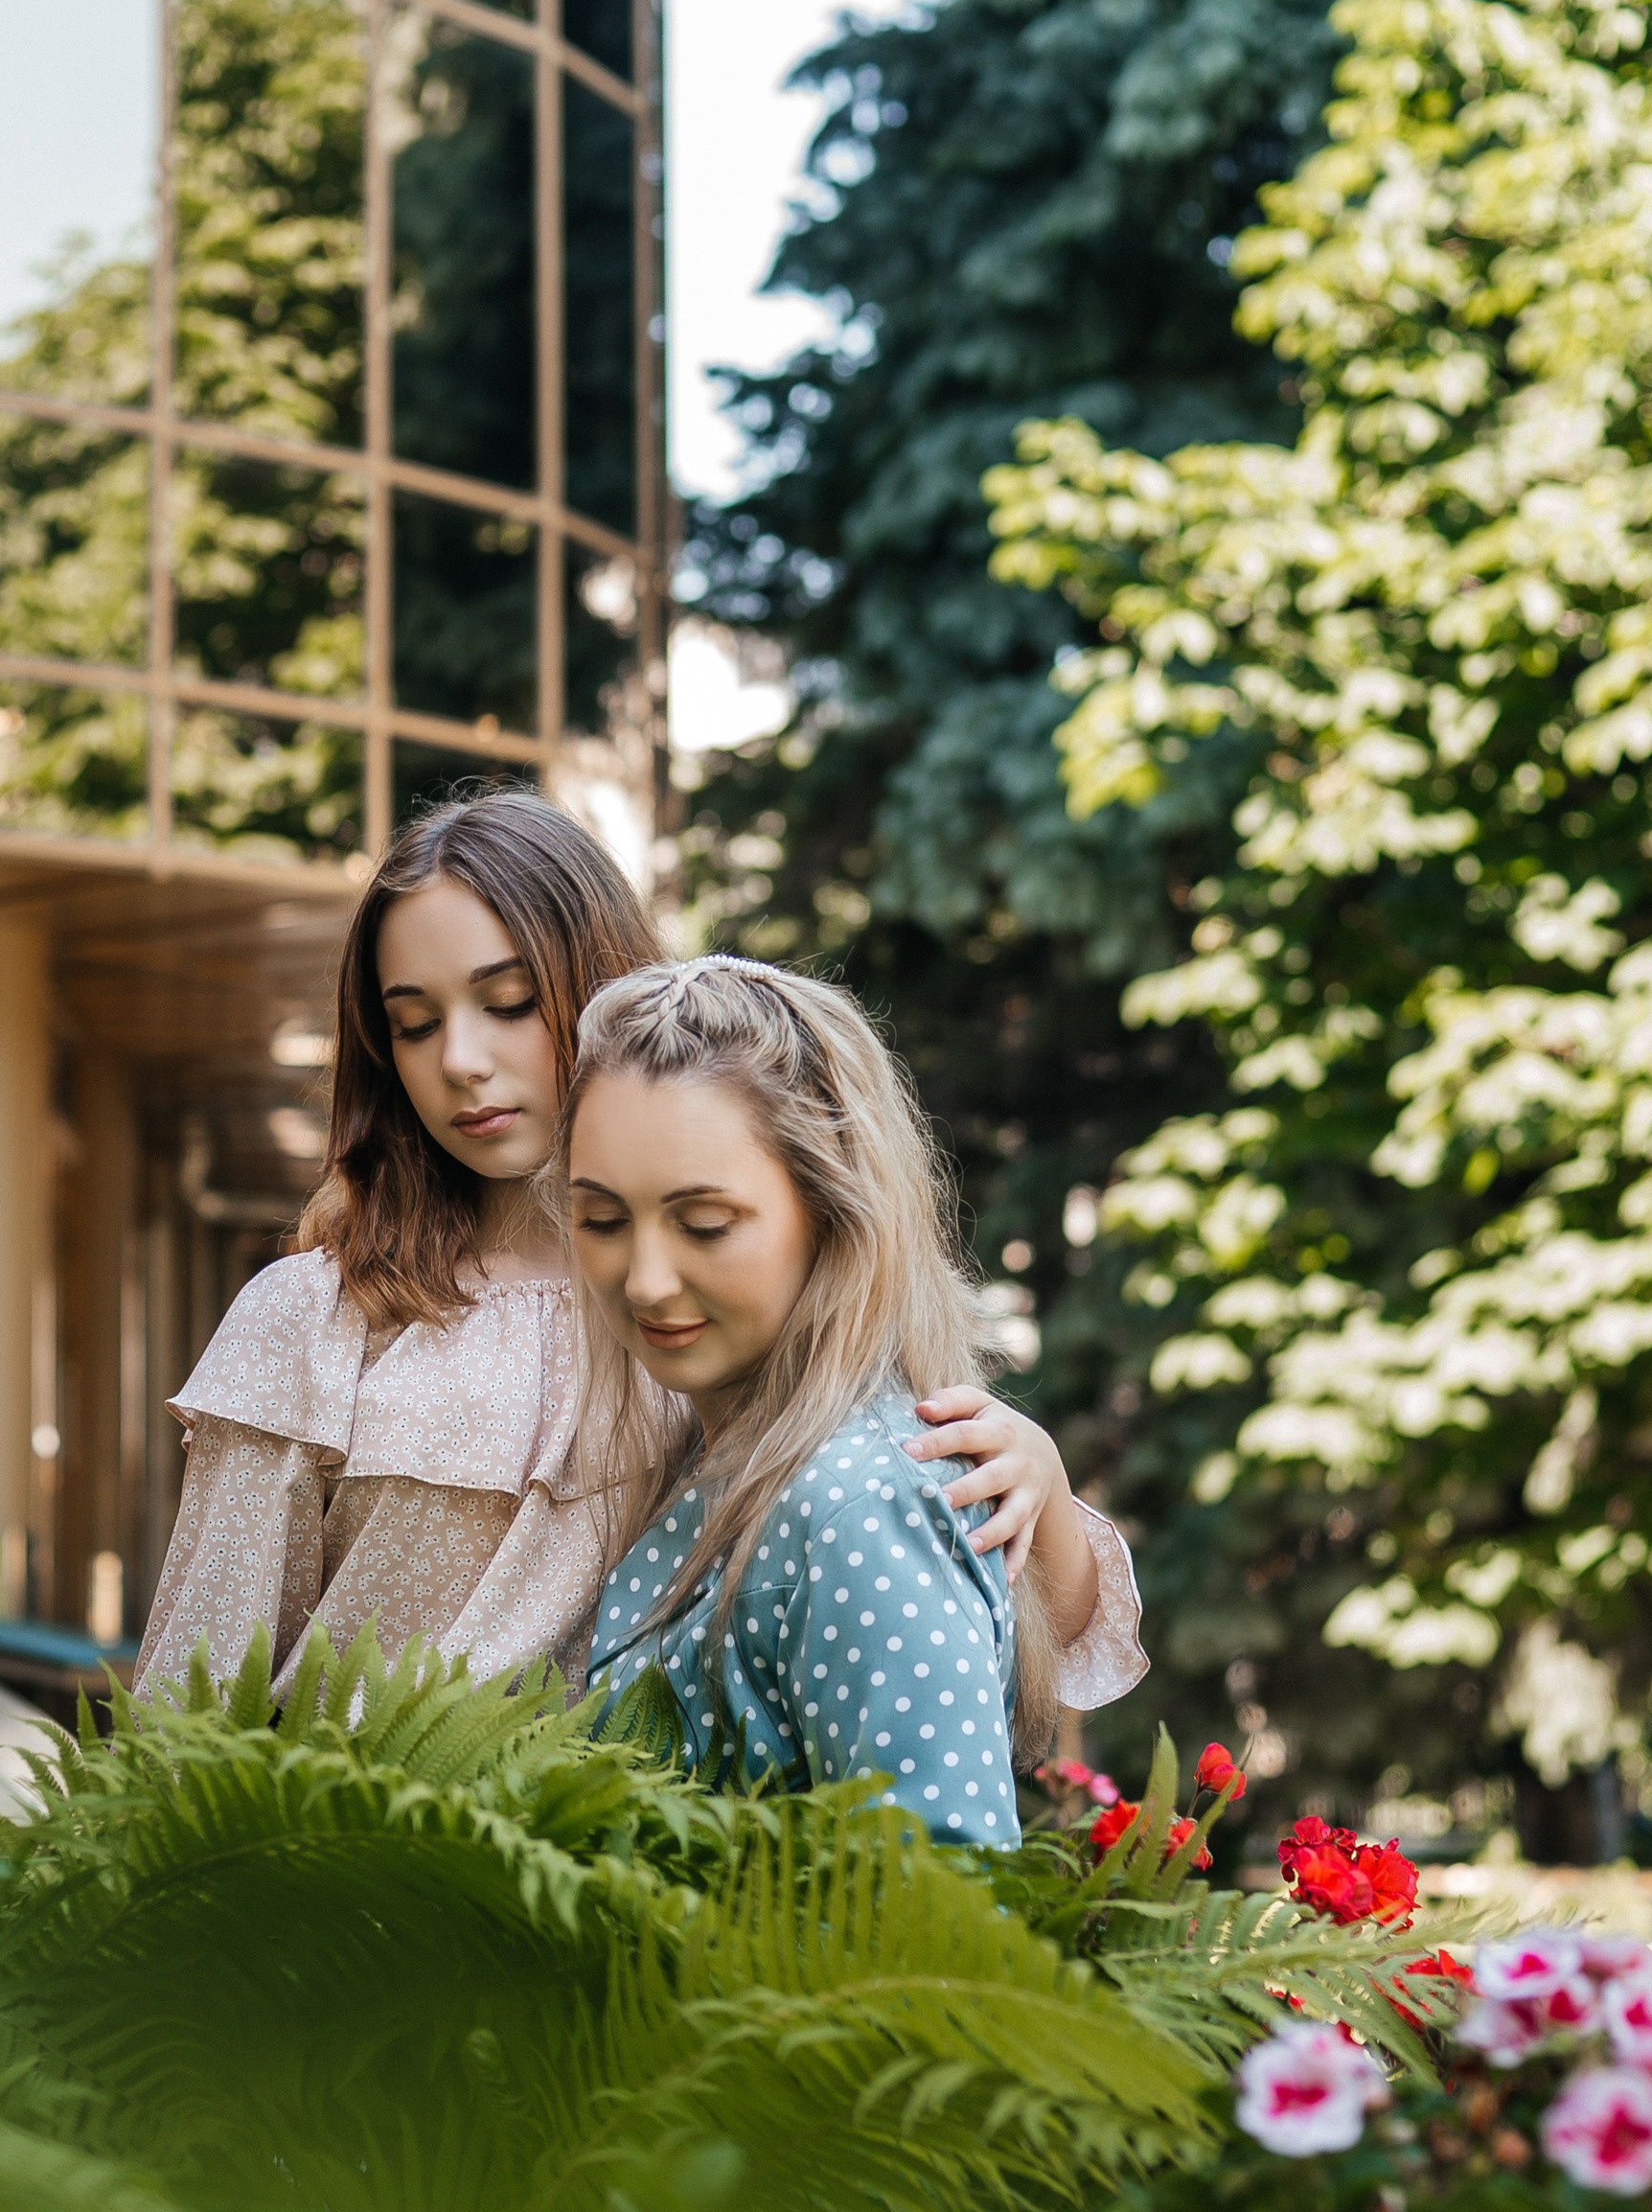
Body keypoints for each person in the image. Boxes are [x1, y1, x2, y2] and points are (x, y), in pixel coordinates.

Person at [135, 790, 1145, 1707]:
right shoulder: (315, 1318)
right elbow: (187, 1717)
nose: (460, 1062)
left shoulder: (739, 1295)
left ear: (604, 983)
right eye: (412, 1024)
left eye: (510, 1002)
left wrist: (1040, 1486)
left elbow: (975, 1650)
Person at [574, 956, 1146, 1845]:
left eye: (705, 1224)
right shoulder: (705, 1447)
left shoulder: (860, 1503)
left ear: (835, 1210)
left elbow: (933, 1921)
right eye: (602, 1220)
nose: (645, 1282)